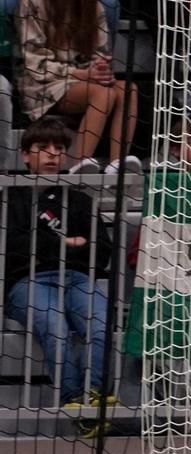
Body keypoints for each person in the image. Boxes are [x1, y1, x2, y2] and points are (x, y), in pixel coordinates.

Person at [2, 116, 114, 425]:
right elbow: (12, 247)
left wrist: (49, 245)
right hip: (27, 281)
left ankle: (94, 396)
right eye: (43, 147)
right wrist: (67, 243)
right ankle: (73, 401)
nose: (53, 153)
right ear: (25, 154)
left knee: (101, 324)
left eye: (59, 147)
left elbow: (101, 251)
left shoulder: (79, 199)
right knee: (56, 327)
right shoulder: (9, 197)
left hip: (77, 278)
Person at [17, 0, 140, 171]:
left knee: (128, 89)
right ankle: (80, 165)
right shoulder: (32, 0)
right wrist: (82, 74)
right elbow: (35, 62)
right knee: (104, 94)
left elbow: (98, 52)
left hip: (83, 79)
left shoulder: (94, 6)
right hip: (44, 82)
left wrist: (99, 65)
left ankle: (117, 165)